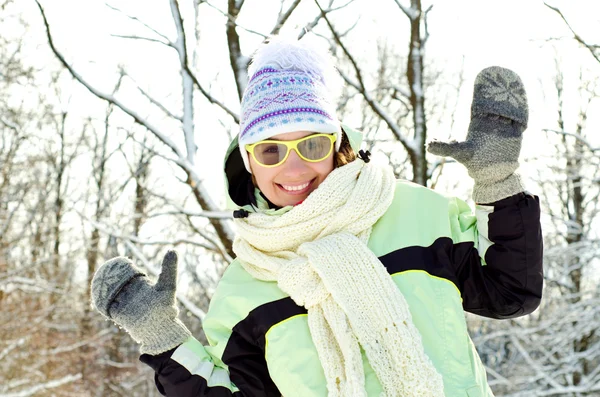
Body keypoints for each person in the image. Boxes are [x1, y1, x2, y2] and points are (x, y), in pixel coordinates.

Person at [91, 36, 543, 396]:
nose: (293, 169)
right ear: (249, 161)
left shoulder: (416, 213)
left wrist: (497, 180)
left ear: (336, 144)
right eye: (271, 150)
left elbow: (511, 292)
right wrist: (163, 339)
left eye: (311, 144)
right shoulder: (243, 286)